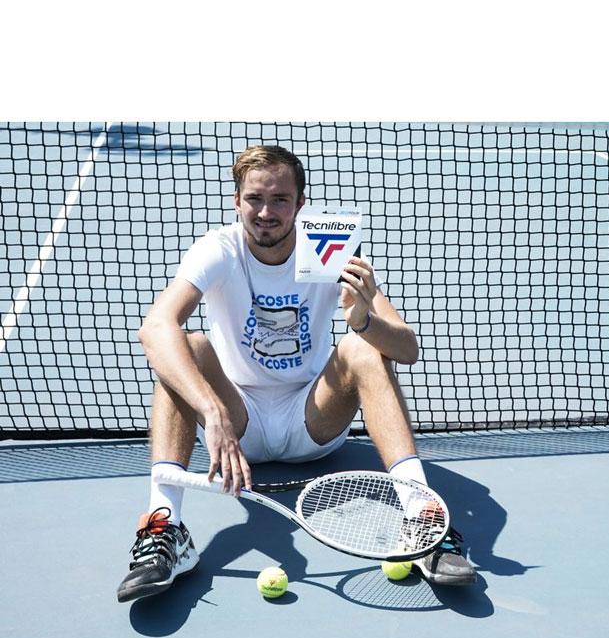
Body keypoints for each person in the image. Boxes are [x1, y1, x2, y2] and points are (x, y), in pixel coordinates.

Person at [117, 145, 476, 602]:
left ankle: (423, 521)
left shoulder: (330, 248)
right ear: (237, 201)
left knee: (361, 349)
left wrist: (364, 320)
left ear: (300, 204)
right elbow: (154, 328)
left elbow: (407, 349)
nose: (266, 212)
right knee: (183, 347)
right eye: (254, 199)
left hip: (312, 420)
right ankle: (164, 528)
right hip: (237, 421)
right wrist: (213, 412)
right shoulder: (219, 249)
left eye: (280, 200)